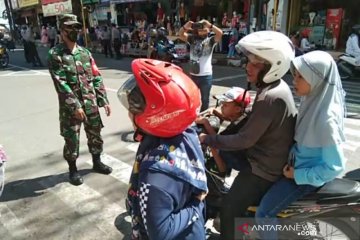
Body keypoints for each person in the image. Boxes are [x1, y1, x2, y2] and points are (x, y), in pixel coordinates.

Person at [199, 31, 297, 240]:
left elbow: (245, 139)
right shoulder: (274, 88)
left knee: (229, 210)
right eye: (249, 61)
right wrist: (221, 114)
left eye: (256, 64)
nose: (248, 67)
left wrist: (207, 139)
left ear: (273, 66)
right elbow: (253, 118)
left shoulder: (270, 97)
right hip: (267, 156)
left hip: (262, 170)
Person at [255, 50, 346, 240]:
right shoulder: (312, 102)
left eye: (300, 76)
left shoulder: (325, 119)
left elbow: (334, 167)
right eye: (294, 75)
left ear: (316, 79)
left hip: (303, 178)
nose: (294, 80)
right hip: (294, 166)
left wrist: (297, 175)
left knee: (264, 213)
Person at [117, 59, 208, 240]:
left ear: (158, 116)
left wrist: (196, 203)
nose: (130, 113)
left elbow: (160, 233)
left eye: (136, 107)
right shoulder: (185, 131)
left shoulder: (156, 175)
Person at [47, 14, 112, 186]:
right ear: (62, 30)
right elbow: (60, 83)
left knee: (95, 135)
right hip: (71, 108)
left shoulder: (85, 53)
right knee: (71, 140)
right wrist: (74, 105)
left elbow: (96, 76)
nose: (75, 30)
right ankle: (73, 170)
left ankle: (97, 162)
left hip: (90, 103)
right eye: (70, 27)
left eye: (76, 27)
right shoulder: (56, 54)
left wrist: (103, 99)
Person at [195, 87, 251, 176]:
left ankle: (218, 173)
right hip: (245, 157)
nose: (222, 107)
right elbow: (229, 117)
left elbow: (218, 142)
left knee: (214, 143)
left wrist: (206, 124)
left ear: (237, 109)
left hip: (244, 164)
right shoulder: (243, 117)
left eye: (226, 105)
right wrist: (215, 112)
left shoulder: (236, 129)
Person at [178, 19, 223, 112]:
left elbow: (220, 33)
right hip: (193, 76)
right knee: (191, 98)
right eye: (200, 29)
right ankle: (191, 116)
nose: (203, 30)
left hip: (206, 76)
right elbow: (180, 34)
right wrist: (186, 26)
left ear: (208, 30)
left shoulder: (211, 41)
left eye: (204, 28)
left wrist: (209, 25)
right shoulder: (192, 39)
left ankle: (203, 118)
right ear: (197, 30)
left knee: (205, 100)